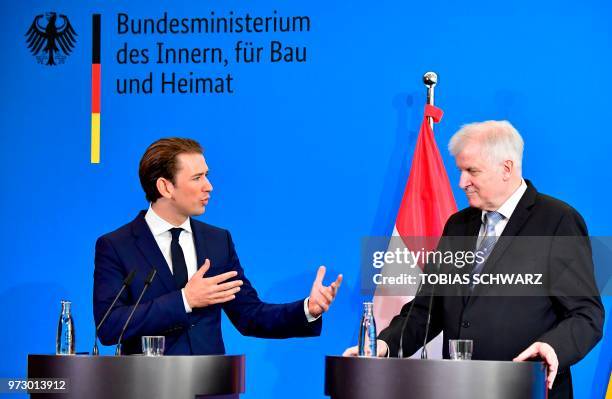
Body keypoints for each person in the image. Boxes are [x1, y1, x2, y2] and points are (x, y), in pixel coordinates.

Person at [344, 121, 603, 399]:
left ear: (506, 168)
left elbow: (586, 315)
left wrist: (553, 347)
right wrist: (383, 344)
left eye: (472, 171)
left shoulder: (557, 220)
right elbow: (426, 308)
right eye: (460, 171)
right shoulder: (457, 225)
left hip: (530, 390)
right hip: (460, 390)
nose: (461, 182)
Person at [94, 137, 342, 355]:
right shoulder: (117, 246)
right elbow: (110, 326)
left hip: (212, 387)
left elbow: (250, 316)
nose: (208, 186)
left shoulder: (217, 241)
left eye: (206, 175)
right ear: (165, 187)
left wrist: (308, 308)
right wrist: (185, 300)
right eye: (197, 177)